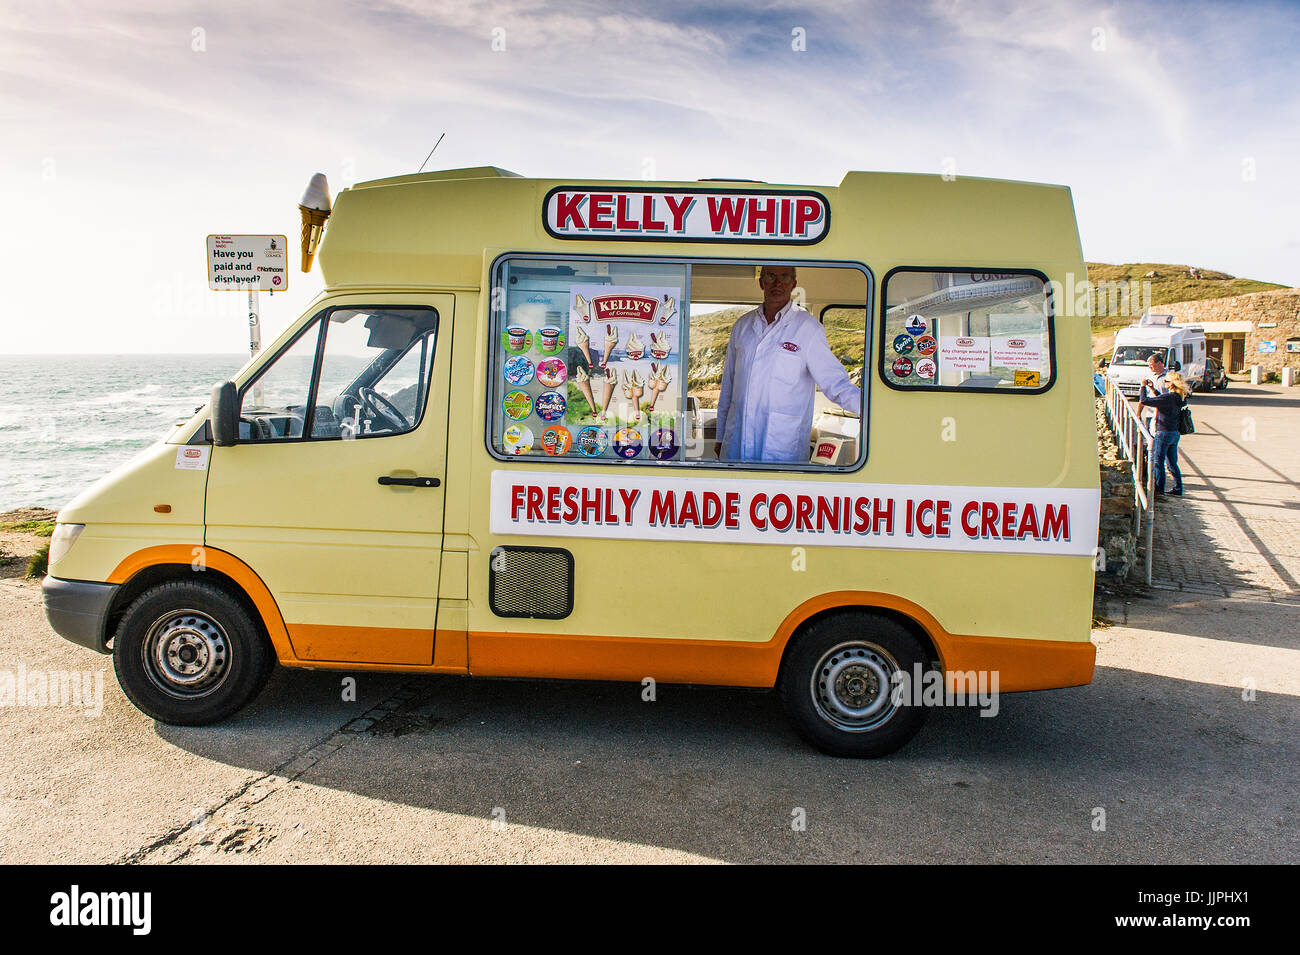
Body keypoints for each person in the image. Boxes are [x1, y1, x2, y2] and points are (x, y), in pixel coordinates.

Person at [714, 265, 861, 463]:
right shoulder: (742, 326)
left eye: (784, 277)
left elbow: (835, 384)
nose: (778, 283)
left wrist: (874, 410)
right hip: (737, 443)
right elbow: (728, 387)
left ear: (793, 284)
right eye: (771, 276)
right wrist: (720, 436)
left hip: (781, 447)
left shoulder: (808, 328)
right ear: (761, 282)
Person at [1139, 370, 1190, 496]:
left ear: (1171, 384)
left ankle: (1159, 489)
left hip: (1163, 433)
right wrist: (1153, 389)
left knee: (1158, 461)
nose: (1165, 383)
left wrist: (1143, 386)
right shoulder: (1179, 398)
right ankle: (1178, 489)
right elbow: (1161, 400)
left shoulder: (1168, 398)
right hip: (1174, 433)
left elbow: (1144, 400)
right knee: (1172, 463)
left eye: (1166, 381)